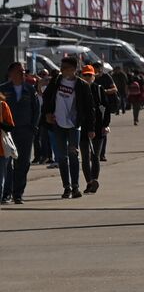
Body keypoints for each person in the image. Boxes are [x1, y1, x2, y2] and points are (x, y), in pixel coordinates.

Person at [41, 55, 98, 199]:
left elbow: (89, 108)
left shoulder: (82, 85)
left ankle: (76, 187)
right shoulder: (56, 81)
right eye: (61, 67)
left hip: (74, 125)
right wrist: (48, 113)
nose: (61, 69)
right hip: (58, 123)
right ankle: (66, 187)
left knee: (73, 156)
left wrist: (91, 128)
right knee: (61, 157)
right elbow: (47, 97)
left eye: (64, 67)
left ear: (73, 69)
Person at [0, 63, 41, 204]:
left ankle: (18, 193)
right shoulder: (3, 89)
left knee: (23, 163)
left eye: (24, 72)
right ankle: (6, 193)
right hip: (7, 132)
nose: (23, 74)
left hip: (25, 131)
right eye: (19, 72)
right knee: (7, 163)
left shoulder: (30, 90)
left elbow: (37, 110)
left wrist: (33, 127)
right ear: (11, 73)